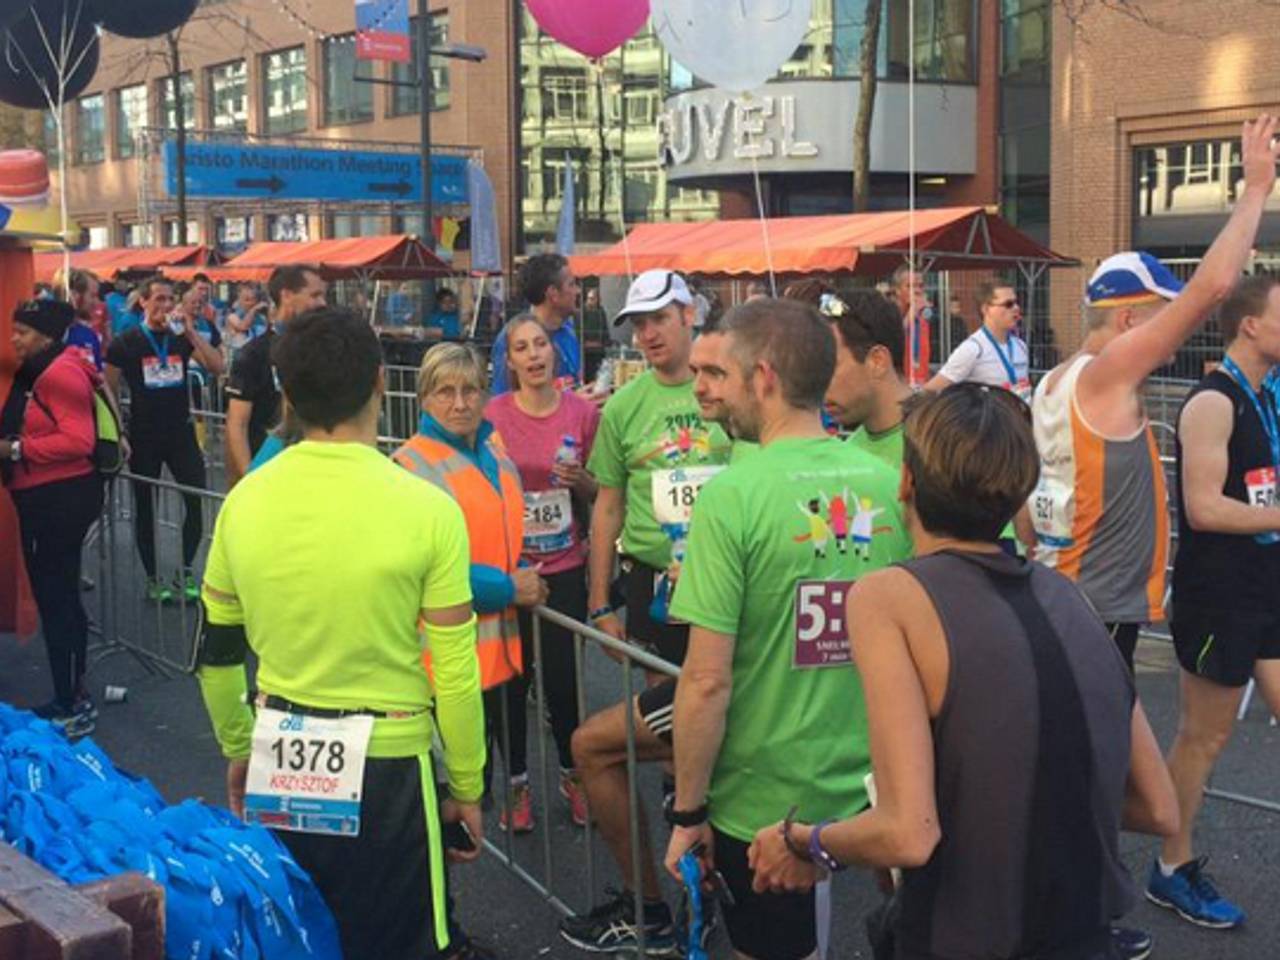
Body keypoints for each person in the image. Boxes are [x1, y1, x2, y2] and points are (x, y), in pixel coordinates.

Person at [746, 385, 1178, 960]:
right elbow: (1158, 806)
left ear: (906, 481)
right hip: (1083, 933)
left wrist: (804, 842)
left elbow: (908, 831)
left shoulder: (889, 596)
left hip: (962, 936)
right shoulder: (1068, 596)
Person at [194, 307, 488, 960]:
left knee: (294, 936)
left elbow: (216, 653)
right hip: (391, 759)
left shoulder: (243, 503)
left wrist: (239, 745)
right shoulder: (429, 509)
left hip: (281, 746)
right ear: (382, 381)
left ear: (287, 393)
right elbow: (455, 670)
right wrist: (468, 784)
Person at [661, 298, 912, 960]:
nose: (715, 392)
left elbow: (707, 680)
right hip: (879, 785)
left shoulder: (731, 498)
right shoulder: (889, 481)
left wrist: (688, 812)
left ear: (764, 378)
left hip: (764, 801)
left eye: (726, 374)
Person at [1032, 116, 1280, 671]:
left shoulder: (1055, 380)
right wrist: (1257, 189)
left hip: (1075, 598)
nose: (1174, 337)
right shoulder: (1104, 376)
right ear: (1127, 320)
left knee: (1126, 727)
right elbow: (1213, 288)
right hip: (1092, 609)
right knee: (1102, 727)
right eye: (1163, 315)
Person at [559, 270, 732, 954]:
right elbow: (608, 503)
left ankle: (709, 870)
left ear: (689, 314)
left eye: (660, 317)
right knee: (672, 727)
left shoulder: (725, 389)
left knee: (715, 725)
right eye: (638, 324)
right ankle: (687, 862)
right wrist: (600, 598)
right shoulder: (626, 405)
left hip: (725, 590)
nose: (649, 334)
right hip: (655, 587)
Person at [1150, 274, 1280, 929]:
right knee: (1205, 736)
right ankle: (1171, 866)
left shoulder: (1269, 395)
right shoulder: (1212, 401)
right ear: (1250, 324)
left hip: (1269, 585)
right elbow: (1203, 508)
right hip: (1220, 596)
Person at [391, 343, 547, 822]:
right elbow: (424, 568)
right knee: (449, 808)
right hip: (442, 663)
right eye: (445, 392)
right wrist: (509, 588)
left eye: (470, 390)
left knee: (478, 792)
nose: (460, 403)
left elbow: (501, 535)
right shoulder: (408, 466)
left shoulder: (495, 454)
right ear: (424, 398)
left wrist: (522, 570)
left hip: (499, 654)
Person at [484, 314, 600, 830]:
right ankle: (517, 787)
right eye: (521, 348)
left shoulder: (582, 413)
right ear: (509, 362)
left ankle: (574, 778)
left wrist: (581, 480)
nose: (533, 355)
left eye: (540, 345)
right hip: (509, 569)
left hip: (564, 566)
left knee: (563, 684)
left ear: (554, 352)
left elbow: (602, 491)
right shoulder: (493, 416)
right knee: (510, 682)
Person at [0, 299, 104, 736]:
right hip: (46, 496)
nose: (14, 339)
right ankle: (71, 694)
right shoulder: (46, 368)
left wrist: (16, 449)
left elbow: (78, 440)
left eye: (22, 332)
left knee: (57, 598)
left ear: (44, 335)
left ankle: (72, 701)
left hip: (58, 498)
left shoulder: (58, 372)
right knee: (57, 596)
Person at [105, 276, 224, 604]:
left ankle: (185, 570)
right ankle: (153, 578)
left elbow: (217, 367)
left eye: (171, 299)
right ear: (143, 301)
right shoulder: (126, 342)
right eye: (159, 299)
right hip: (144, 434)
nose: (166, 305)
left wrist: (190, 332)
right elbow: (108, 388)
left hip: (180, 432)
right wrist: (117, 430)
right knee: (146, 507)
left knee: (195, 499)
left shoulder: (181, 338)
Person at [224, 265, 326, 487]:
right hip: (268, 469)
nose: (322, 303)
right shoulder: (253, 354)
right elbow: (237, 423)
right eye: (315, 295)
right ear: (286, 295)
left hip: (312, 469)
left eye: (323, 295)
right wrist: (249, 477)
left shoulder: (318, 348)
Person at [821, 290, 913, 467]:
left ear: (878, 361)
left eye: (829, 365)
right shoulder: (847, 455)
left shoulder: (942, 447)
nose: (818, 382)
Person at [490, 254, 583, 394]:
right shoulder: (511, 338)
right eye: (572, 284)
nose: (578, 291)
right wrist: (571, 402)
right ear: (553, 294)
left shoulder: (567, 329)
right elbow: (502, 401)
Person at [925, 280, 1031, 401]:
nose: (1016, 308)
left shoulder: (1020, 345)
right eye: (1008, 304)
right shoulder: (973, 349)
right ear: (986, 309)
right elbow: (931, 389)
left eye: (1016, 302)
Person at [891, 264, 932, 388]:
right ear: (897, 290)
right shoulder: (889, 312)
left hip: (920, 382)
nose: (917, 291)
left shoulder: (921, 313)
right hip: (898, 384)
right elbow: (891, 340)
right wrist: (911, 315)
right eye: (910, 286)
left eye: (920, 286)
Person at [59, 268, 105, 373]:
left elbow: (98, 376)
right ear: (74, 296)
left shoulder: (88, 333)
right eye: (92, 296)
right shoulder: (52, 335)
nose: (97, 302)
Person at [223, 282, 268, 368]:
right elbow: (243, 326)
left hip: (260, 358)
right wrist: (253, 310)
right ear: (239, 300)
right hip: (241, 359)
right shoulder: (232, 317)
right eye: (247, 300)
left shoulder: (262, 319)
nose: (250, 303)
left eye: (253, 299)